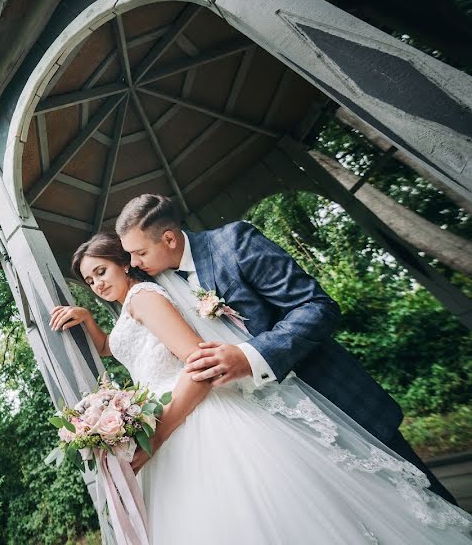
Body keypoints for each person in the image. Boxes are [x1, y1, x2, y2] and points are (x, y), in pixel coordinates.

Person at [50, 231, 471, 544]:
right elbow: (118, 350)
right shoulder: (127, 312)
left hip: (200, 418)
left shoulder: (144, 297)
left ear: (125, 263)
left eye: (101, 271)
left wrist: (158, 434)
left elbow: (196, 365)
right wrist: (88, 320)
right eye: (89, 281)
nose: (97, 283)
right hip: (170, 417)